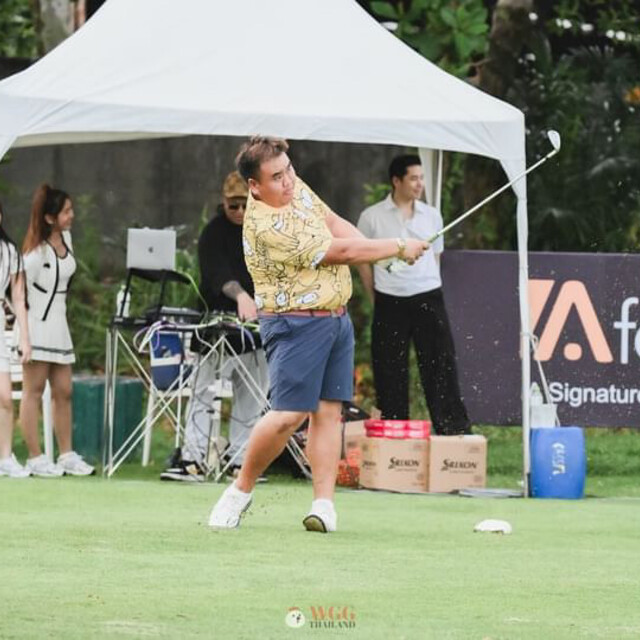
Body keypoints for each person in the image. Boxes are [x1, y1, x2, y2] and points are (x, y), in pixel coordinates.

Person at [208, 137, 429, 532]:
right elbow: (338, 252)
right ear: (255, 186)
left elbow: (334, 223)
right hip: (295, 324)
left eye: (289, 169)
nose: (288, 180)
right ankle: (239, 491)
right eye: (277, 177)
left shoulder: (294, 186)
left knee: (328, 413)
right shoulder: (268, 225)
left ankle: (324, 505)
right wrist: (396, 248)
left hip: (335, 319)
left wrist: (378, 252)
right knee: (288, 415)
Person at [160, 171, 269, 482]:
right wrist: (242, 297)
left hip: (254, 327)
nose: (240, 212)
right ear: (223, 202)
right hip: (215, 324)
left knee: (252, 393)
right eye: (233, 206)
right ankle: (193, 458)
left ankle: (241, 461)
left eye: (245, 205)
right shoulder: (213, 233)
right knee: (203, 390)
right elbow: (218, 274)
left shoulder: (261, 233)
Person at [357, 154, 470, 435]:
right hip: (388, 300)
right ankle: (394, 430)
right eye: (413, 178)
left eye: (421, 178)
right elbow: (363, 260)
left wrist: (429, 283)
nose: (420, 184)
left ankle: (452, 430)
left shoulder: (432, 215)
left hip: (428, 296)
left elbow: (436, 256)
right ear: (396, 181)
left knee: (440, 364)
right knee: (389, 369)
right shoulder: (371, 217)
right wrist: (375, 297)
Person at [18, 184, 95, 477]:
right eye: (66, 211)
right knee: (33, 392)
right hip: (36, 329)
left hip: (59, 329)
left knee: (64, 390)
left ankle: (66, 455)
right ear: (50, 218)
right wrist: (24, 336)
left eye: (71, 210)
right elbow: (16, 293)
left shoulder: (68, 240)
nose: (71, 215)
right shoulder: (35, 254)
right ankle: (35, 457)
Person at [0, 200, 32, 478]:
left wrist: (25, 338)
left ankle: (5, 456)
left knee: (5, 396)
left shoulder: (9, 251)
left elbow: (19, 297)